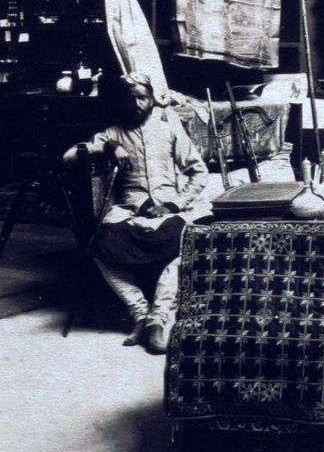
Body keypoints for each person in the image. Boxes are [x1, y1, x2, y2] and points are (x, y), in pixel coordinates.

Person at [75, 72, 222, 353]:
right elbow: (69, 158)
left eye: (143, 97)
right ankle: (139, 313)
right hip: (129, 210)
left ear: (153, 99)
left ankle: (159, 318)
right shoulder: (112, 133)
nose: (137, 104)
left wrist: (175, 203)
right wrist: (108, 146)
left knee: (187, 244)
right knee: (100, 247)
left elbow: (198, 172)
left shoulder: (168, 131)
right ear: (121, 102)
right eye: (130, 99)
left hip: (167, 208)